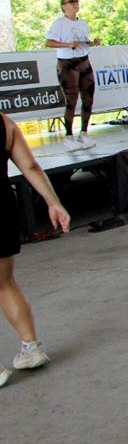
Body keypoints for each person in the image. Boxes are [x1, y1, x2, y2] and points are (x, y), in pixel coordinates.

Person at [0, 113, 69, 389]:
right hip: (1, 208)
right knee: (5, 283)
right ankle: (31, 348)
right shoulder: (5, 123)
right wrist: (54, 203)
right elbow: (29, 165)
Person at [44, 0, 101, 149]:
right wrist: (67, 45)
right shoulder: (59, 24)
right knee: (71, 100)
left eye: (77, 1)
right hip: (67, 63)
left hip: (84, 60)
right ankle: (68, 136)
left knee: (88, 97)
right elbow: (48, 42)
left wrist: (92, 43)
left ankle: (84, 133)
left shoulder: (83, 23)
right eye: (71, 1)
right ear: (64, 6)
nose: (75, 4)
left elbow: (83, 42)